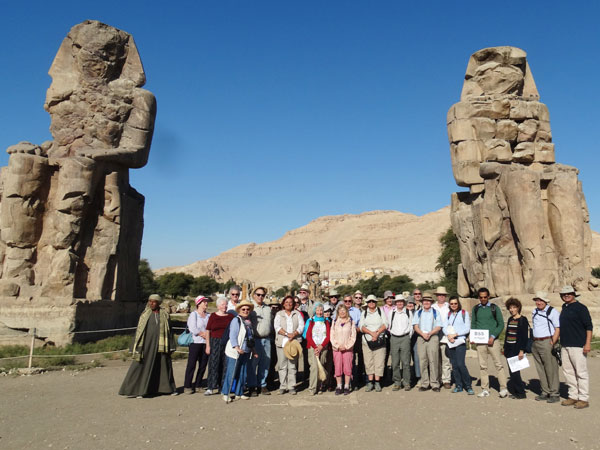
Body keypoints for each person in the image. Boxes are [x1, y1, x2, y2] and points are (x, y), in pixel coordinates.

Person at [119, 294, 177, 398]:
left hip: (161, 346)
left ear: (158, 303)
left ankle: (166, 389)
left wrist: (172, 345)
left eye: (154, 301)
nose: (151, 303)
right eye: (150, 301)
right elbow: (138, 332)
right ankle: (138, 390)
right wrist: (134, 346)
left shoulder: (164, 315)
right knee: (140, 366)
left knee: (163, 366)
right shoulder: (145, 315)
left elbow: (169, 332)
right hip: (146, 346)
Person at [559, 285, 593, 409]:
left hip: (578, 344)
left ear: (574, 294)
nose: (566, 296)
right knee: (568, 372)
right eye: (564, 294)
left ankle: (583, 398)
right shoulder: (564, 307)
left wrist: (588, 343)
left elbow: (588, 326)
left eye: (568, 293)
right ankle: (573, 395)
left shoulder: (581, 308)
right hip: (565, 344)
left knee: (581, 372)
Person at [471, 287, 508, 398]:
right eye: (481, 297)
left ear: (488, 297)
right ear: (478, 297)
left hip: (493, 340)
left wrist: (493, 336)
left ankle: (503, 388)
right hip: (480, 341)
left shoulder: (494, 308)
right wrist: (472, 336)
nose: (483, 299)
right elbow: (473, 323)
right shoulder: (475, 309)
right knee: (483, 366)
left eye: (485, 297)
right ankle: (485, 388)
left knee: (498, 364)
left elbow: (500, 324)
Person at [221, 300, 256, 403]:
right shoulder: (236, 320)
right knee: (231, 372)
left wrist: (253, 350)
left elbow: (250, 337)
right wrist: (236, 347)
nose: (245, 311)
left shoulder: (248, 322)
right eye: (243, 309)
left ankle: (239, 392)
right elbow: (233, 335)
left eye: (247, 309)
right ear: (239, 310)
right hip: (235, 351)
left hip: (246, 350)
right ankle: (225, 393)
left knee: (243, 372)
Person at [531, 291, 561, 403]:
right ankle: (545, 391)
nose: (539, 302)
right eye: (537, 300)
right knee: (540, 368)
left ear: (545, 301)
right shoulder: (534, 311)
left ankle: (554, 393)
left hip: (547, 341)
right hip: (536, 342)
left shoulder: (552, 311)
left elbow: (557, 327)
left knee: (551, 368)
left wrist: (553, 342)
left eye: (541, 300)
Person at [274, 295, 305, 395]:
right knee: (282, 365)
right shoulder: (279, 314)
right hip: (282, 342)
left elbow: (301, 326)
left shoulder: (297, 314)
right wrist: (287, 334)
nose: (288, 304)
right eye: (286, 302)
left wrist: (294, 334)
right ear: (283, 304)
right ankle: (282, 385)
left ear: (293, 304)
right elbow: (277, 327)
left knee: (292, 365)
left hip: (294, 342)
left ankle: (291, 386)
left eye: (290, 302)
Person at [412, 292, 442, 392]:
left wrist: (430, 333)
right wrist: (422, 334)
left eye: (428, 301)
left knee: (433, 360)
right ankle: (425, 383)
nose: (426, 302)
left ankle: (434, 383)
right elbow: (415, 326)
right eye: (425, 301)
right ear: (422, 302)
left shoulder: (435, 312)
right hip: (421, 337)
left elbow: (438, 326)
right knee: (422, 360)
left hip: (433, 337)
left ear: (431, 302)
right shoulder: (418, 313)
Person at [204, 296, 234, 396]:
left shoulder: (230, 317)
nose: (224, 306)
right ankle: (211, 387)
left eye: (226, 304)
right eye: (222, 304)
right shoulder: (213, 316)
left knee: (225, 364)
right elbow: (208, 330)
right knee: (213, 364)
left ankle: (222, 387)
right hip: (215, 341)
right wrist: (208, 345)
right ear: (218, 306)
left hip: (227, 342)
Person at [247, 286, 273, 396]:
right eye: (258, 294)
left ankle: (262, 384)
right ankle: (252, 386)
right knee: (253, 363)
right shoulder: (250, 308)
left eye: (262, 295)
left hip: (266, 339)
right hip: (255, 339)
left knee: (265, 363)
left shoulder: (267, 308)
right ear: (254, 295)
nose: (260, 297)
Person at [444, 297, 473, 394]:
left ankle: (468, 385)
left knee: (461, 364)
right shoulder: (448, 315)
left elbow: (467, 328)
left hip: (460, 341)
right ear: (449, 304)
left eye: (455, 303)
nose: (453, 305)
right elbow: (444, 326)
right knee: (454, 365)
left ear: (458, 303)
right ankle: (458, 385)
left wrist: (455, 334)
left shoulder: (464, 313)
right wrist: (448, 335)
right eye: (451, 304)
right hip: (451, 341)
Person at [183, 295, 210, 394]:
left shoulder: (208, 315)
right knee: (191, 365)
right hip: (195, 343)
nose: (206, 303)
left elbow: (210, 328)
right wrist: (203, 334)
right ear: (198, 304)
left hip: (205, 343)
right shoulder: (193, 315)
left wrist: (207, 336)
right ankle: (187, 385)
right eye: (204, 302)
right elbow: (193, 328)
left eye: (206, 302)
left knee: (203, 365)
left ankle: (198, 384)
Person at [361, 295, 388, 392]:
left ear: (376, 302)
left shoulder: (380, 312)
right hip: (367, 340)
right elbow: (361, 326)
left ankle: (377, 382)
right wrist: (371, 333)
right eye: (369, 301)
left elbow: (386, 324)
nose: (371, 303)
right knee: (368, 362)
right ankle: (370, 382)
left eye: (373, 301)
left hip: (379, 340)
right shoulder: (364, 313)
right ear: (367, 303)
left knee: (379, 361)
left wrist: (377, 333)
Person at [302, 303, 331, 395]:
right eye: (318, 310)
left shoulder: (326, 321)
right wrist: (315, 347)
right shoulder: (311, 321)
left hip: (323, 347)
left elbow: (328, 336)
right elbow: (308, 335)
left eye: (321, 310)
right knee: (314, 367)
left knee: (321, 366)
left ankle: (319, 386)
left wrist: (321, 346)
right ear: (315, 311)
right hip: (312, 347)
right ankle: (312, 388)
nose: (319, 312)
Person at [503, 297, 529, 399]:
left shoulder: (523, 320)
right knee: (511, 370)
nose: (512, 310)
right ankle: (516, 391)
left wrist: (521, 351)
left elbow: (524, 337)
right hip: (509, 347)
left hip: (516, 348)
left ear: (518, 308)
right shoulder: (510, 319)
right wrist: (504, 347)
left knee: (515, 371)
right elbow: (507, 334)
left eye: (514, 307)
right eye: (510, 308)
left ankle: (521, 393)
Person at [388, 295, 413, 391]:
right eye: (398, 301)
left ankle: (406, 382)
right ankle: (397, 382)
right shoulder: (391, 313)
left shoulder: (408, 312)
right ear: (395, 303)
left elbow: (411, 326)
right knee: (395, 362)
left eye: (401, 301)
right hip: (394, 338)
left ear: (404, 302)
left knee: (406, 362)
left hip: (405, 338)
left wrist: (408, 337)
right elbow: (389, 325)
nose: (399, 303)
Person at [331, 304, 356, 395]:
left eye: (344, 310)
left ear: (347, 312)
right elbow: (332, 335)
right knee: (338, 367)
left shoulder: (351, 321)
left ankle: (346, 385)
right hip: (337, 349)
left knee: (347, 367)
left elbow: (353, 336)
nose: (342, 312)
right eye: (340, 311)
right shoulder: (335, 321)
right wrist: (337, 346)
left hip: (347, 349)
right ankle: (339, 385)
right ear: (338, 312)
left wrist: (347, 346)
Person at [432, 286, 451, 389]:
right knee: (435, 359)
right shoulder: (432, 307)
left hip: (446, 336)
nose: (441, 297)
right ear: (436, 296)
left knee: (446, 359)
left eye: (443, 295)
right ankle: (437, 379)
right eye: (439, 295)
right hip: (434, 335)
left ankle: (446, 379)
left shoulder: (449, 306)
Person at [349, 292, 365, 388]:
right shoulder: (349, 310)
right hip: (350, 336)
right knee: (352, 358)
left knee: (361, 358)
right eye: (356, 297)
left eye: (360, 297)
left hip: (359, 335)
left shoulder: (363, 309)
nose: (358, 299)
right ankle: (353, 379)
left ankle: (360, 377)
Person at [407, 297, 421, 385]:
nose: (410, 305)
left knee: (416, 357)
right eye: (408, 303)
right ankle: (409, 377)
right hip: (406, 337)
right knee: (406, 358)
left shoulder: (418, 313)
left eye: (412, 303)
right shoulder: (403, 313)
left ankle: (418, 376)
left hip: (416, 336)